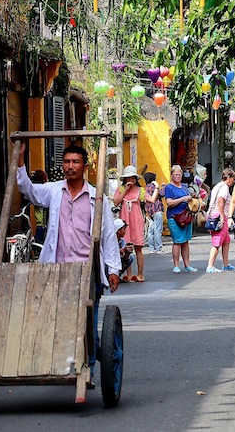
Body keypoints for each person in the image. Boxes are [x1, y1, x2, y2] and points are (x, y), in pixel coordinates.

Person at [16, 142, 121, 384]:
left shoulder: (97, 197)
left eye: (75, 162)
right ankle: (63, 365)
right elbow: (28, 190)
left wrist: (113, 269)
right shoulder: (54, 191)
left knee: (87, 323)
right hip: (57, 269)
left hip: (88, 271)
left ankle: (88, 372)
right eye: (66, 162)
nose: (70, 166)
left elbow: (107, 235)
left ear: (84, 166)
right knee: (58, 319)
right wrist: (20, 160)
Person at [164, 164, 200, 273]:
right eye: (176, 174)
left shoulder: (184, 186)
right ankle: (176, 265)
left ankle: (187, 265)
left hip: (186, 216)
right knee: (177, 241)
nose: (178, 176)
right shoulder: (169, 187)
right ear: (172, 175)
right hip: (175, 217)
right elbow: (169, 202)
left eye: (179, 174)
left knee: (185, 242)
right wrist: (183, 198)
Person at [113, 165, 146, 282]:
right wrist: (125, 190)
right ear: (125, 179)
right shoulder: (120, 190)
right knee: (126, 247)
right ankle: (129, 274)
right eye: (128, 178)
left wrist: (156, 189)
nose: (131, 180)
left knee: (138, 247)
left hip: (136, 220)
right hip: (125, 220)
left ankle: (140, 274)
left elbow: (150, 200)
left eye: (133, 177)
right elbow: (116, 202)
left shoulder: (140, 191)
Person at [205, 168, 235, 273]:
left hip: (214, 215)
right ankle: (210, 266)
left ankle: (226, 264)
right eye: (232, 179)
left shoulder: (217, 186)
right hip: (218, 216)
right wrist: (223, 217)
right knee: (217, 241)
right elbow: (220, 201)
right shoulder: (224, 187)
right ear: (228, 178)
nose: (233, 182)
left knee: (226, 241)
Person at [143, 172, 165, 255]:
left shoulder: (146, 188)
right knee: (158, 230)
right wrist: (163, 186)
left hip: (150, 212)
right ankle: (158, 248)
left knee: (151, 231)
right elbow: (162, 194)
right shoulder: (153, 187)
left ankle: (151, 248)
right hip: (157, 210)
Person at [30, 169, 48, 243]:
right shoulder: (46, 187)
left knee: (39, 228)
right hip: (45, 215)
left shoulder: (33, 188)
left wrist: (30, 177)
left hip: (39, 218)